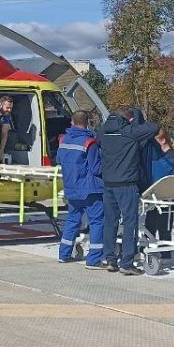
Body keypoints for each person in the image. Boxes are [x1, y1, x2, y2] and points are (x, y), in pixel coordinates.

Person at [98, 106, 159, 274]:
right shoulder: (130, 132)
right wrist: (135, 122)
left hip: (108, 184)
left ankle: (109, 258)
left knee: (110, 222)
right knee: (130, 223)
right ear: (127, 119)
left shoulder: (103, 132)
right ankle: (127, 262)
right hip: (126, 184)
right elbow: (154, 127)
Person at [55, 110, 106, 269]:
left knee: (72, 220)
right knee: (97, 221)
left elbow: (59, 159)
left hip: (71, 188)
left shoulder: (63, 140)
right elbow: (96, 168)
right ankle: (94, 259)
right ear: (87, 123)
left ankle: (64, 254)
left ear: (72, 122)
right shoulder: (89, 142)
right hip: (89, 189)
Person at [141, 130, 174, 242]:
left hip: (167, 195)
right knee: (151, 221)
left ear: (163, 140)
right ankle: (150, 243)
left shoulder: (173, 157)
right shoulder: (159, 156)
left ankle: (163, 247)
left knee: (163, 223)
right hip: (155, 193)